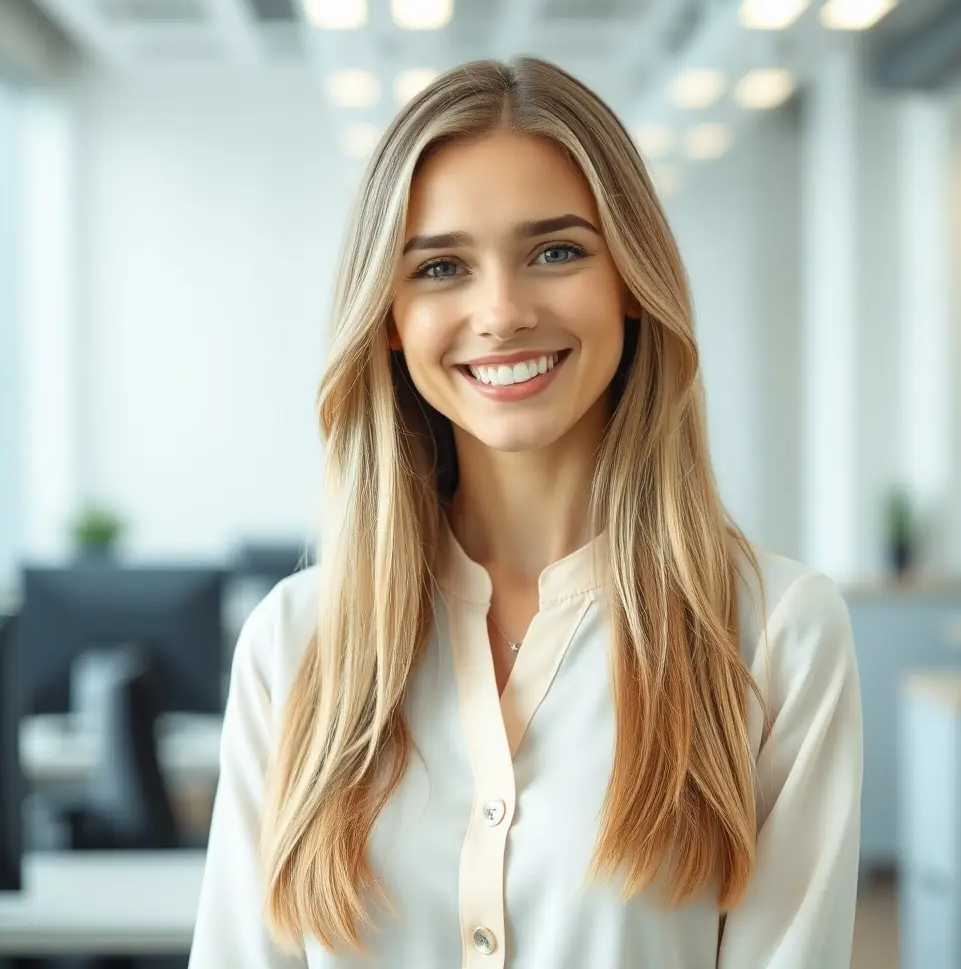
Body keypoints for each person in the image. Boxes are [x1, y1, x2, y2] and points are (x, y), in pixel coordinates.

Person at [188, 56, 862, 969]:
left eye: (556, 252)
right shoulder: (295, 645)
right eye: (441, 267)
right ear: (389, 315)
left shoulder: (777, 634)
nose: (500, 312)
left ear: (630, 278)